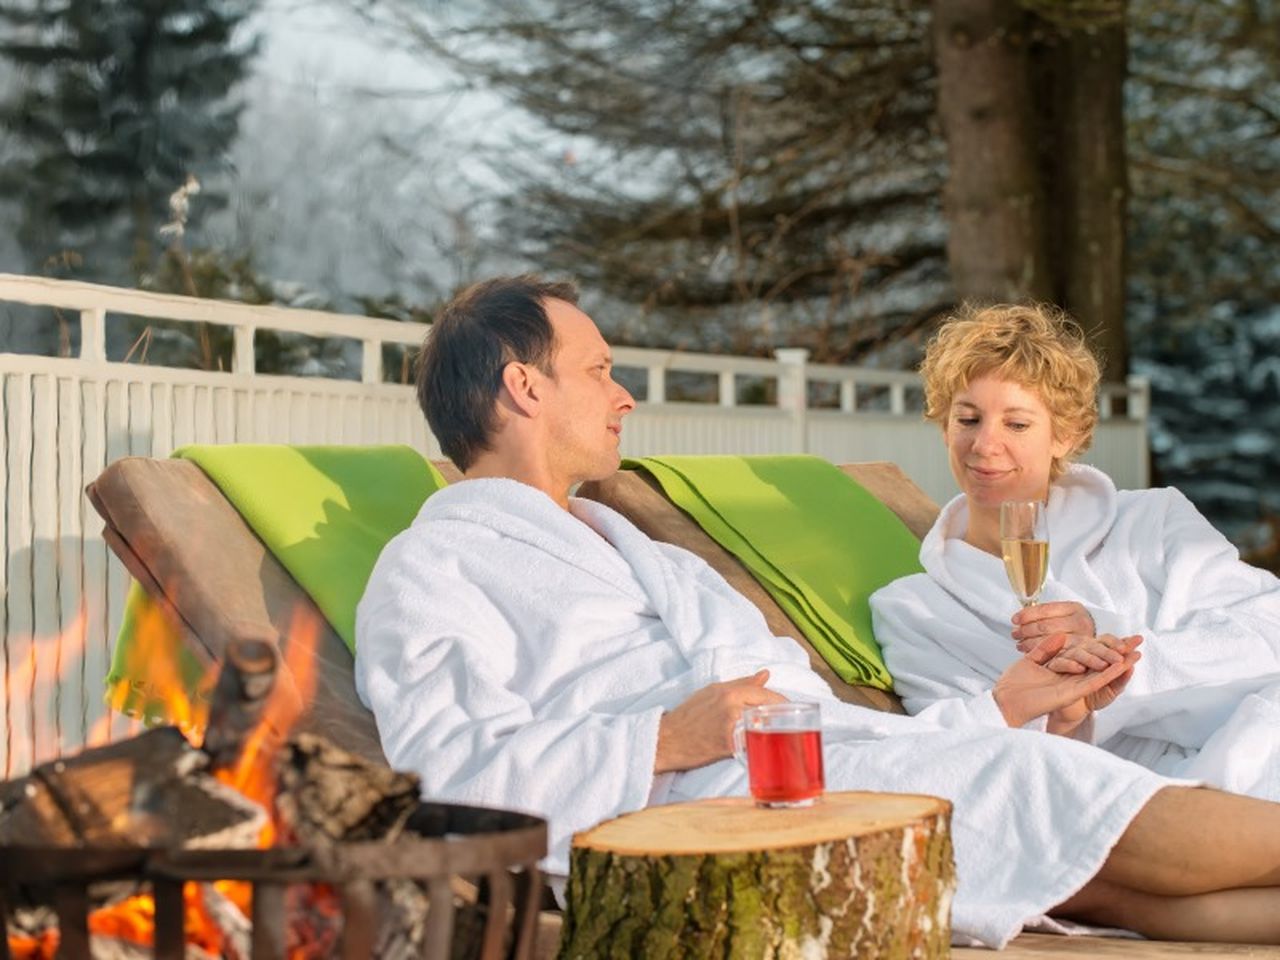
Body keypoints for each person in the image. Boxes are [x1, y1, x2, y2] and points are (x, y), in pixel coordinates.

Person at [355, 276, 1280, 948]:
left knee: (1106, 883)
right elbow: (446, 778)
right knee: (1045, 796)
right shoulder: (435, 567)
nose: (623, 393)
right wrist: (663, 741)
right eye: (599, 370)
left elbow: (813, 717)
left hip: (810, 767)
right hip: (696, 810)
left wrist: (988, 711)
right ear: (525, 387)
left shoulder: (638, 551)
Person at [870, 303, 1280, 801]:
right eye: (968, 419)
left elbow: (1267, 628)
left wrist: (1113, 651)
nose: (984, 444)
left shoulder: (1154, 521)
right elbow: (969, 760)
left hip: (1254, 743)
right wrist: (1067, 716)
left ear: (1064, 435)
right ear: (944, 426)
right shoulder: (912, 610)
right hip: (1116, 801)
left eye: (1017, 425)